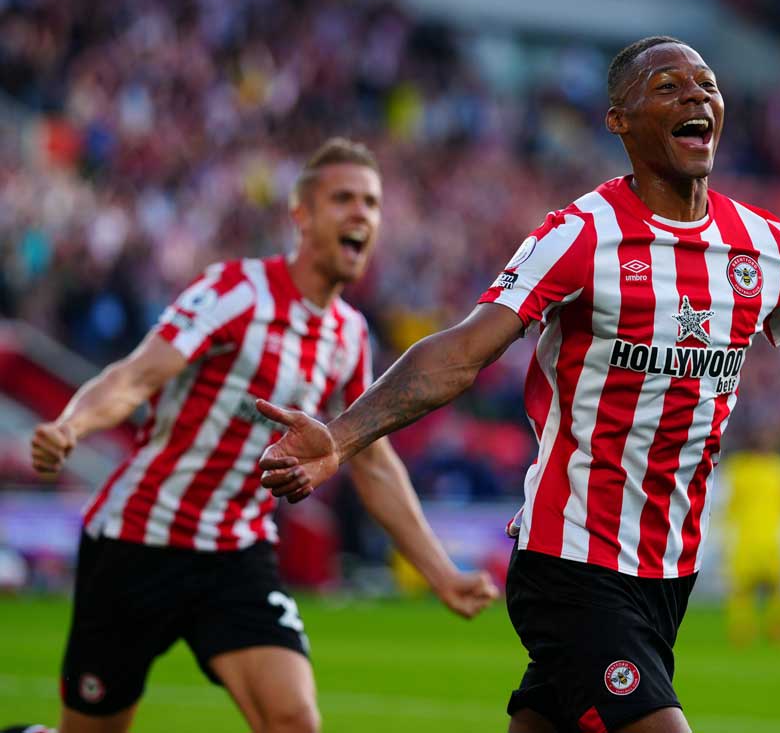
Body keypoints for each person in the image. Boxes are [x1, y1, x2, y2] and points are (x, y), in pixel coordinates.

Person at [256, 38, 780, 733]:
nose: (698, 95)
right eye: (669, 85)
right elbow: (461, 353)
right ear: (620, 122)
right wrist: (343, 434)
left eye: (708, 84)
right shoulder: (580, 236)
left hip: (670, 575)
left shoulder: (768, 251)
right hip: (570, 560)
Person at [28, 138, 499, 733]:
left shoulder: (349, 336)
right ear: (301, 215)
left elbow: (372, 463)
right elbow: (138, 375)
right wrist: (72, 425)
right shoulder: (234, 292)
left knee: (294, 721)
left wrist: (441, 572)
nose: (361, 214)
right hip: (137, 541)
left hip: (235, 552)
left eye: (372, 204)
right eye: (344, 199)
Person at [718, 426, 780, 646]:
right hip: (751, 536)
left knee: (774, 587)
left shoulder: (771, 468)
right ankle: (746, 628)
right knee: (745, 588)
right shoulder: (776, 469)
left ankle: (773, 627)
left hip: (766, 536)